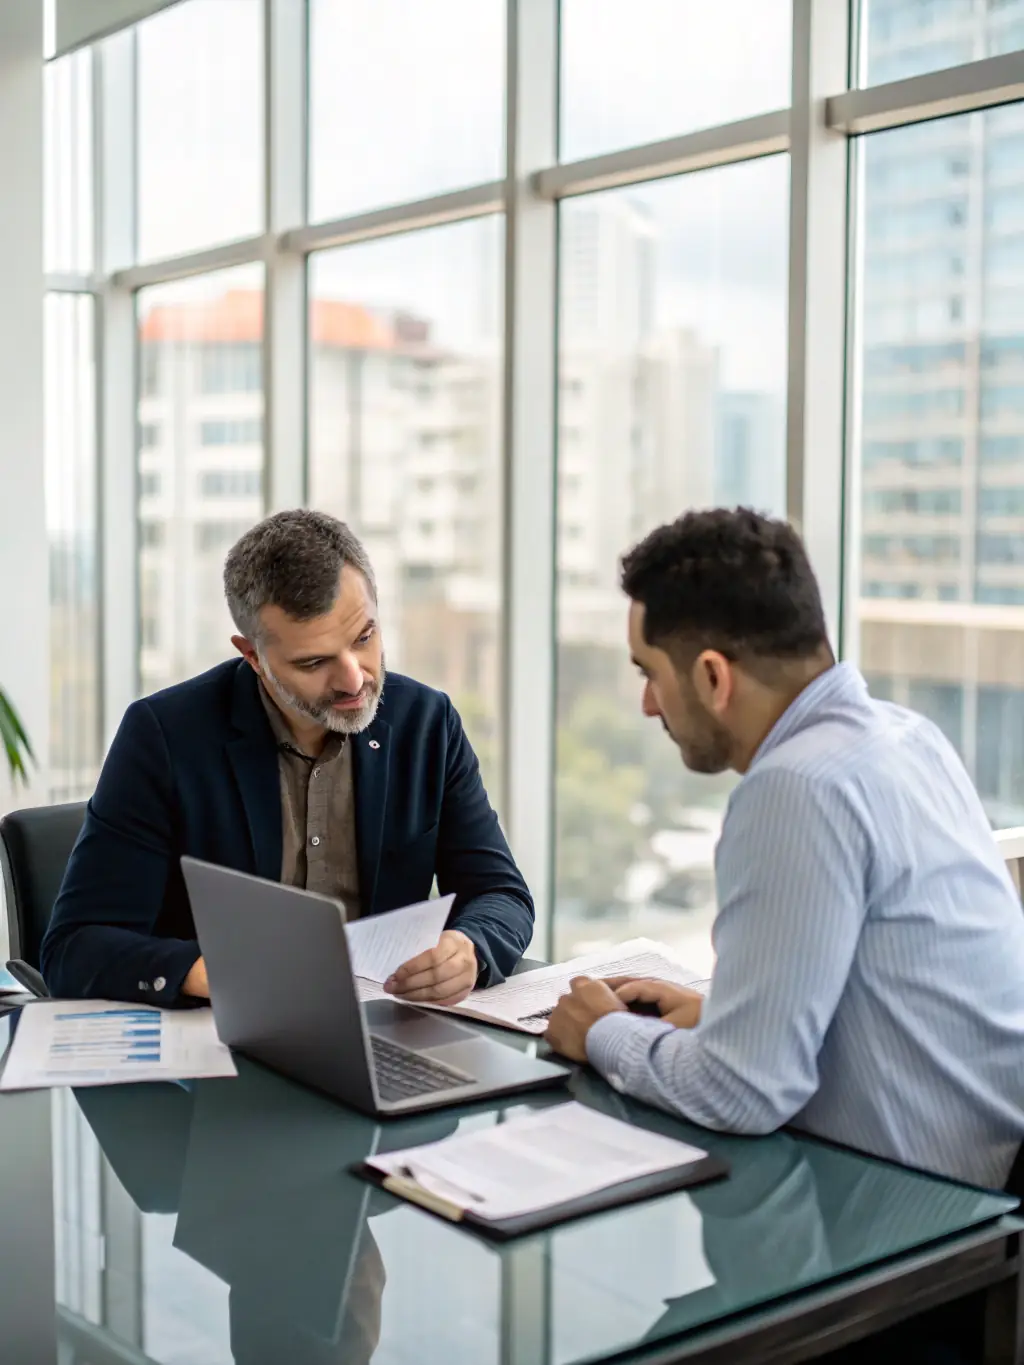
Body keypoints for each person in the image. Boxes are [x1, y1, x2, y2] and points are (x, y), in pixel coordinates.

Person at [546, 507, 1024, 1188]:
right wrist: (725, 1010)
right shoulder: (907, 737)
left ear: (714, 678)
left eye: (650, 673)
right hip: (987, 1189)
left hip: (925, 1231)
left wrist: (599, 1030)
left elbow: (740, 1092)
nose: (649, 705)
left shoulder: (796, 788)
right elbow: (900, 991)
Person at [42, 509, 533, 1006]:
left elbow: (502, 897)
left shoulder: (426, 724)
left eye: (364, 638)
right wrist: (206, 972)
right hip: (228, 1041)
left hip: (385, 1028)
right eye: (313, 662)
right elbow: (74, 949)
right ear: (252, 656)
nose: (353, 679)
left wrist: (468, 947)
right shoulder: (164, 737)